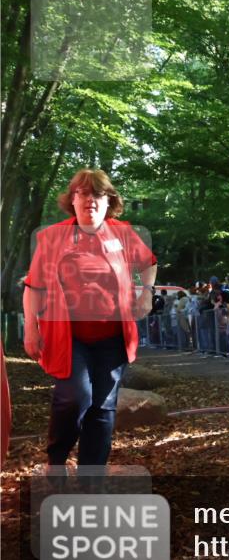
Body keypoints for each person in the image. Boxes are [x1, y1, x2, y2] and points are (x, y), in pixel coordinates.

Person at [22, 168, 157, 467]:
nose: (89, 200)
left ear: (109, 201)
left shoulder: (123, 234)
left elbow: (149, 263)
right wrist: (30, 328)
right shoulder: (53, 238)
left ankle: (91, 478)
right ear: (72, 200)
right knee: (76, 397)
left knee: (103, 407)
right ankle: (57, 459)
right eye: (82, 193)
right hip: (69, 337)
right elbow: (33, 287)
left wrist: (146, 293)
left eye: (97, 194)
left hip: (112, 337)